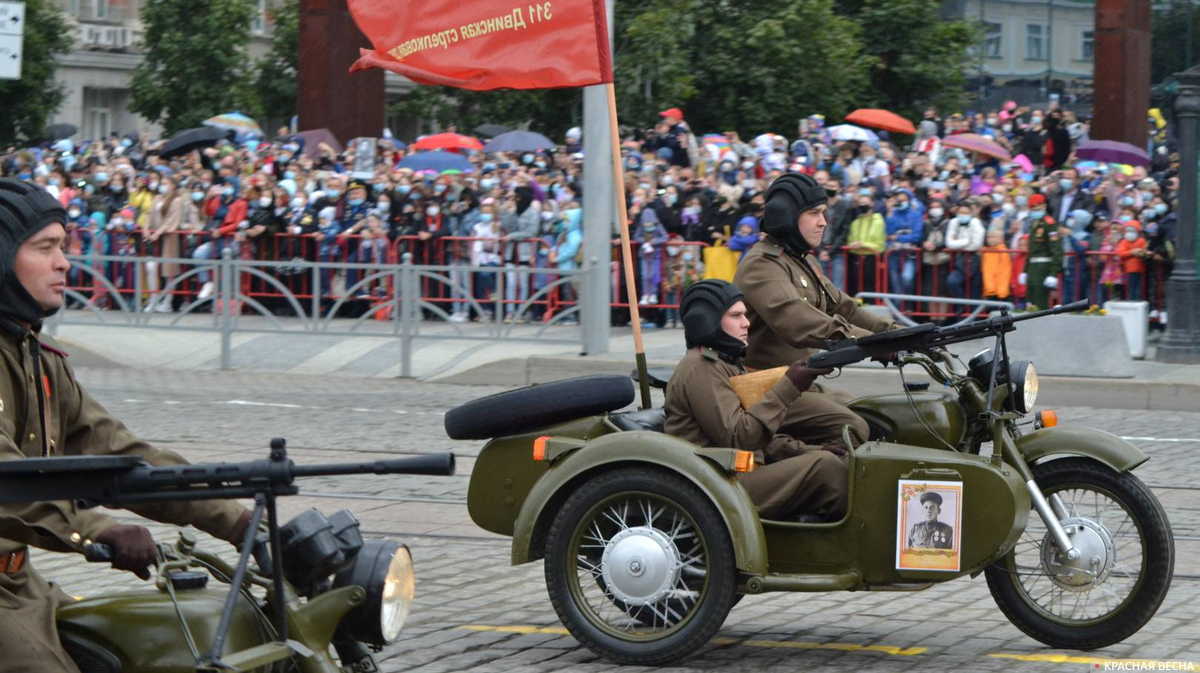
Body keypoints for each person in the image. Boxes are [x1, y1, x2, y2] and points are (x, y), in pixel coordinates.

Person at [0, 179, 254, 672]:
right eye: (45, 248)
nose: (63, 263)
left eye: (64, 246)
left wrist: (240, 521)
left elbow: (123, 454)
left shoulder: (40, 360)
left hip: (19, 585)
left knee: (130, 646)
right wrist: (103, 529)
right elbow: (7, 479)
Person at [733, 174, 897, 446]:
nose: (823, 222)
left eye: (823, 213)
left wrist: (901, 334)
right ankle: (823, 482)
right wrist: (873, 343)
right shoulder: (762, 265)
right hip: (765, 388)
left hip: (797, 383)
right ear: (786, 217)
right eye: (814, 213)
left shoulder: (800, 261)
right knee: (852, 427)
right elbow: (799, 321)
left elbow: (845, 308)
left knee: (876, 411)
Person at [663, 280, 847, 521]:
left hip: (734, 474)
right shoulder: (700, 368)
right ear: (706, 321)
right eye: (736, 315)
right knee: (827, 469)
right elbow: (740, 436)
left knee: (836, 460)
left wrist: (810, 449)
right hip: (719, 485)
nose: (746, 322)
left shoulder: (723, 363)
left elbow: (762, 443)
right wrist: (788, 386)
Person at [1024, 194, 1062, 309]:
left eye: (1038, 209)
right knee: (1030, 302)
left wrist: (1053, 273)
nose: (1036, 212)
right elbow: (1031, 250)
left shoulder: (1049, 224)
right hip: (1032, 268)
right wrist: (1025, 270)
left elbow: (1056, 249)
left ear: (1044, 206)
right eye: (1033, 210)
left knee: (1041, 303)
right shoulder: (1034, 224)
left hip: (1043, 267)